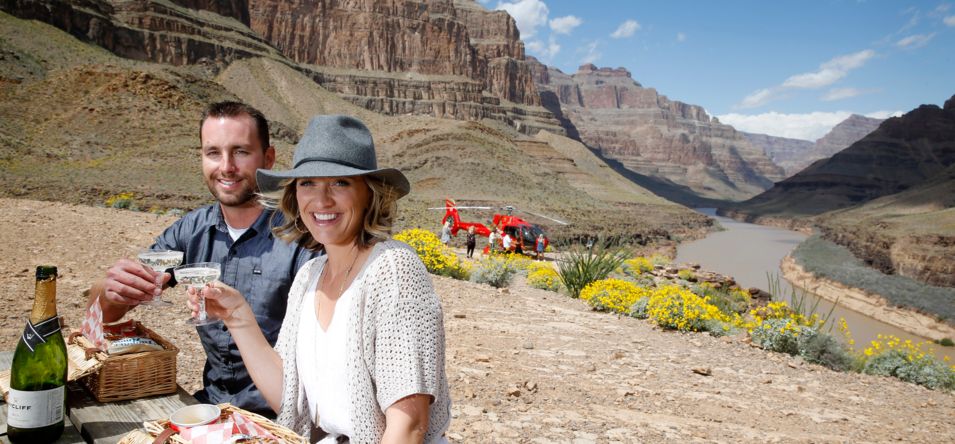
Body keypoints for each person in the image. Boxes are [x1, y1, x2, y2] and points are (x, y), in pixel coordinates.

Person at [199, 115, 451, 442]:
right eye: (308, 183)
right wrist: (237, 316)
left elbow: (409, 426)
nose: (322, 200)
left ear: (369, 194)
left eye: (340, 183)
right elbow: (290, 398)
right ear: (294, 195)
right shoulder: (309, 276)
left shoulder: (393, 269)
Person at [87, 101, 317, 417]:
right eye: (213, 153)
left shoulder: (302, 237)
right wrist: (109, 289)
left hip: (285, 417)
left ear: (269, 158)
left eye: (240, 152)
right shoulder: (191, 230)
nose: (226, 166)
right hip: (210, 408)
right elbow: (105, 314)